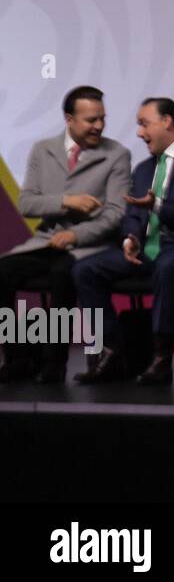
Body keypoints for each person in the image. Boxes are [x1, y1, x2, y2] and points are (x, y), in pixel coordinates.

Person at [72, 97, 174, 385]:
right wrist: (130, 239)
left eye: (144, 124)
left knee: (168, 265)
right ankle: (113, 351)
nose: (139, 133)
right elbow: (132, 215)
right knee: (85, 270)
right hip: (150, 249)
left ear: (167, 121)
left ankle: (161, 359)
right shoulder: (142, 170)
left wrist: (158, 206)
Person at [0, 86, 130, 383]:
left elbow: (115, 214)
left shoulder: (117, 155)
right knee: (2, 272)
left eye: (102, 119)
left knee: (64, 273)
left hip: (89, 244)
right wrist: (65, 201)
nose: (98, 126)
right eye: (90, 120)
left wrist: (76, 236)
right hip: (47, 241)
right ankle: (17, 356)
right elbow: (26, 203)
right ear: (69, 119)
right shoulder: (42, 150)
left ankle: (53, 362)